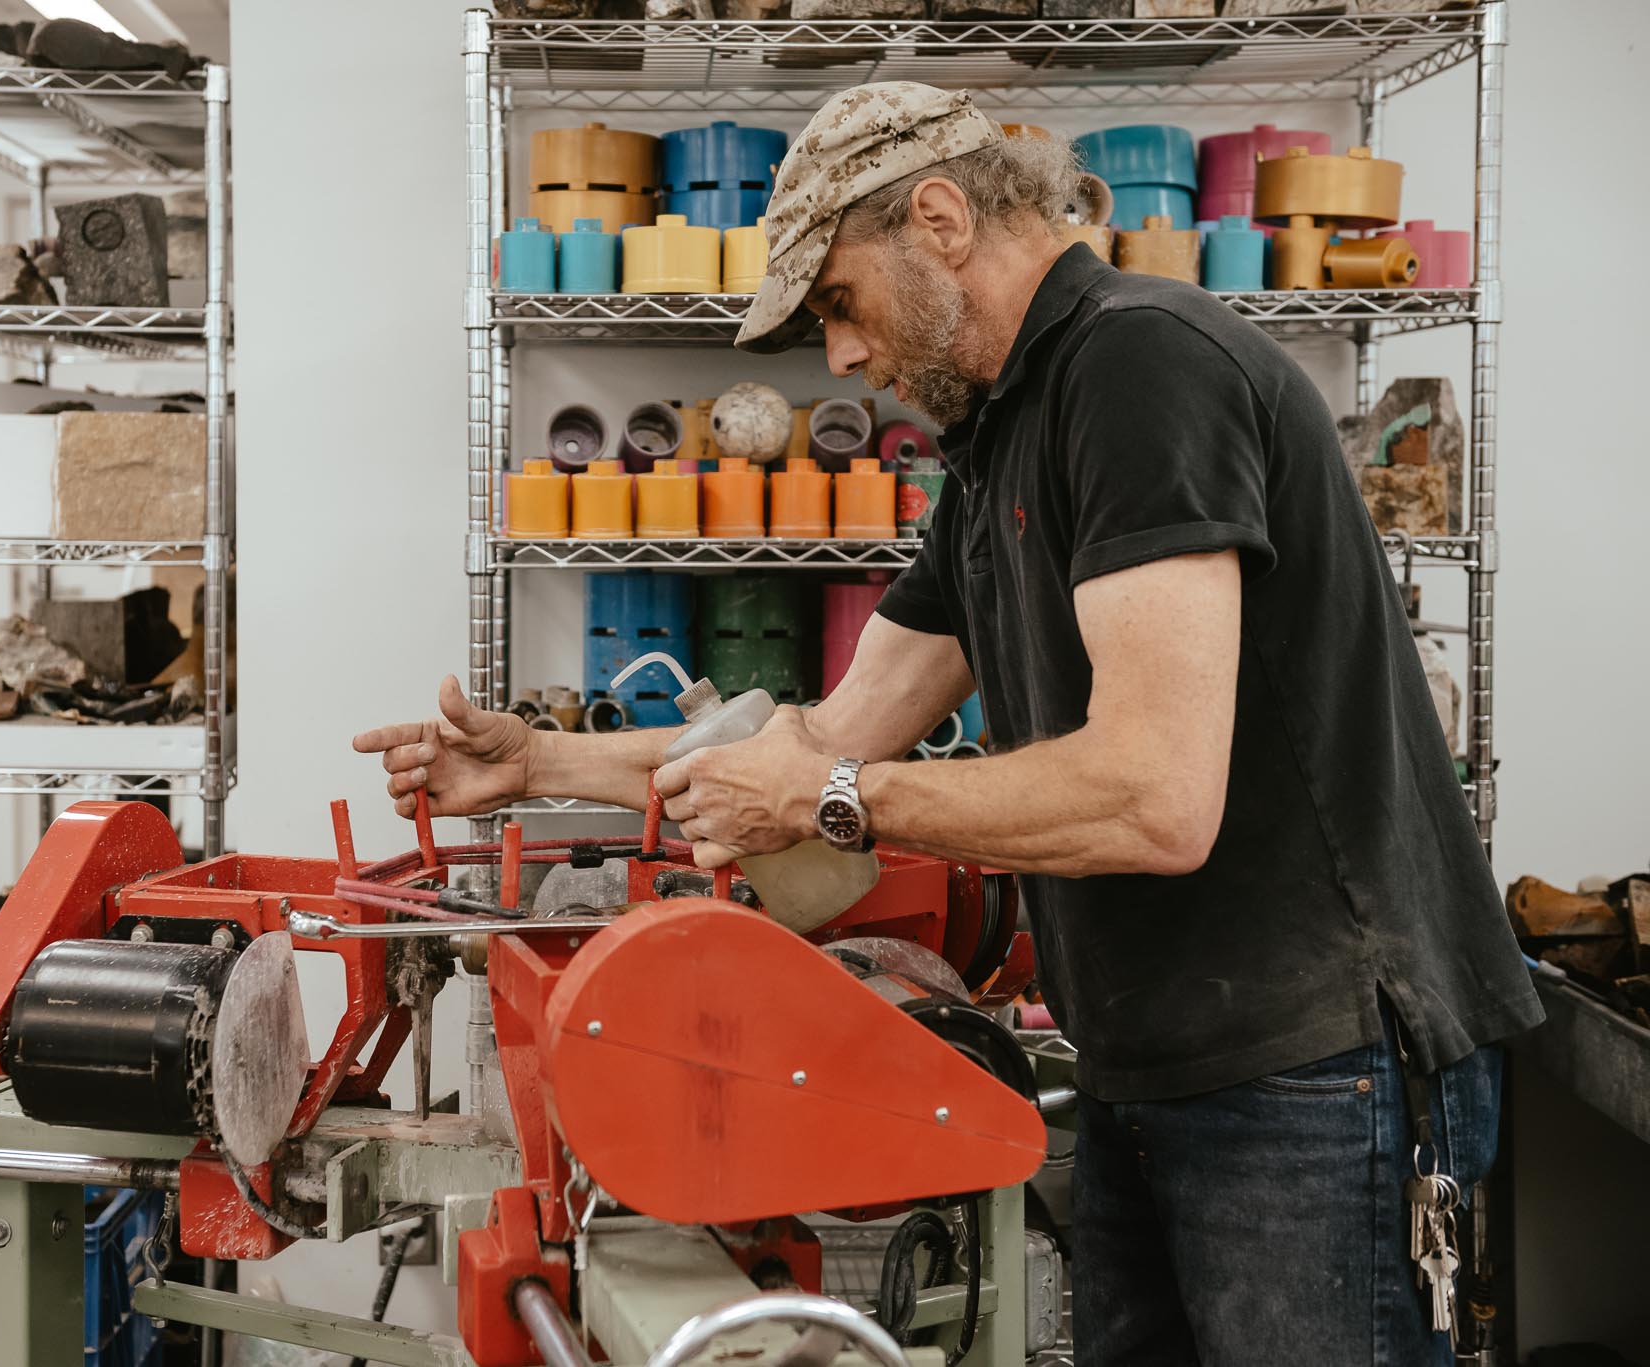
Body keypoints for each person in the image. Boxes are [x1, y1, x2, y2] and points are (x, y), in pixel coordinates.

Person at [355, 83, 1540, 1365]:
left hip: (1311, 1066)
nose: (844, 358)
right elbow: (828, 734)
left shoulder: (1140, 368)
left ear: (938, 220)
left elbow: (1153, 795)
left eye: (839, 305)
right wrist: (539, 760)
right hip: (1159, 1057)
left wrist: (835, 803)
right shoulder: (998, 445)